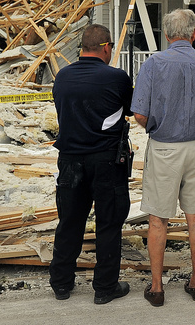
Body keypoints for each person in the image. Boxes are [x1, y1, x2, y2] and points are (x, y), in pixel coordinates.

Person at [132, 8, 195, 307]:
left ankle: (156, 287)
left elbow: (139, 112)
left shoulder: (154, 63)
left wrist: (153, 125)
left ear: (166, 35)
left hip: (164, 147)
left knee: (157, 218)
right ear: (194, 33)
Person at [48, 24, 133, 305]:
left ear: (82, 48)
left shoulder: (62, 77)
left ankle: (61, 284)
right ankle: (104, 287)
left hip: (70, 160)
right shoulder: (117, 78)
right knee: (108, 224)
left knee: (70, 222)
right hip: (106, 159)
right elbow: (130, 110)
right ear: (106, 47)